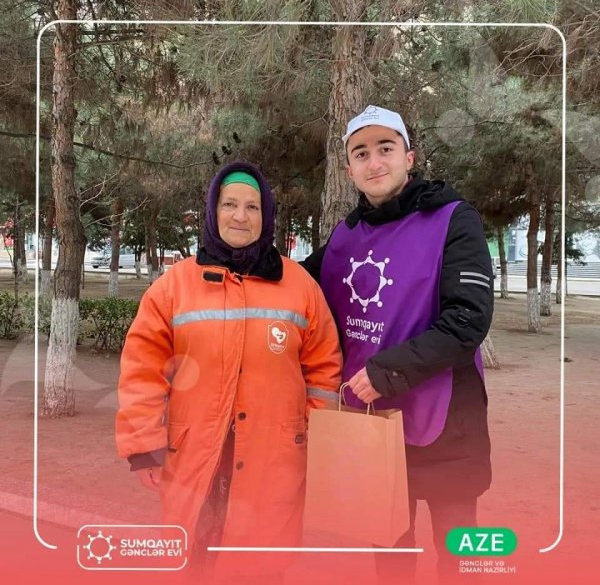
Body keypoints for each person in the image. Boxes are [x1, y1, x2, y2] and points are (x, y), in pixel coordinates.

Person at [116, 161, 342, 584]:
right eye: (230, 204)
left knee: (261, 565)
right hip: (195, 460)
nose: (241, 216)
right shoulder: (174, 287)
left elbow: (324, 372)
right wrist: (143, 445)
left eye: (252, 207)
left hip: (273, 460)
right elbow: (142, 369)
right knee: (193, 564)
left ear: (266, 215)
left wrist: (315, 441)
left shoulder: (300, 287)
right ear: (212, 211)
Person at [301, 105, 494, 583]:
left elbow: (467, 321)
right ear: (349, 169)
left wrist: (387, 372)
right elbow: (295, 288)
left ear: (409, 157)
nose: (374, 162)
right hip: (374, 424)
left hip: (447, 422)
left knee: (458, 556)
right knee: (389, 555)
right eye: (360, 153)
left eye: (385, 148)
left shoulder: (454, 220)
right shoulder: (345, 235)